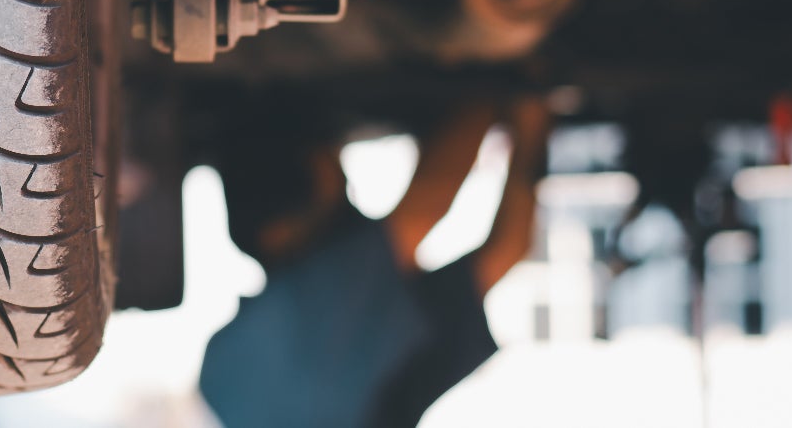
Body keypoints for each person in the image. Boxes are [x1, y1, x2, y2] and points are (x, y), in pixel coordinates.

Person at [200, 95, 549, 428]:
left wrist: (522, 112)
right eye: (335, 168)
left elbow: (499, 247)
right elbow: (437, 203)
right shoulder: (305, 323)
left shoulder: (274, 344)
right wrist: (497, 86)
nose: (346, 181)